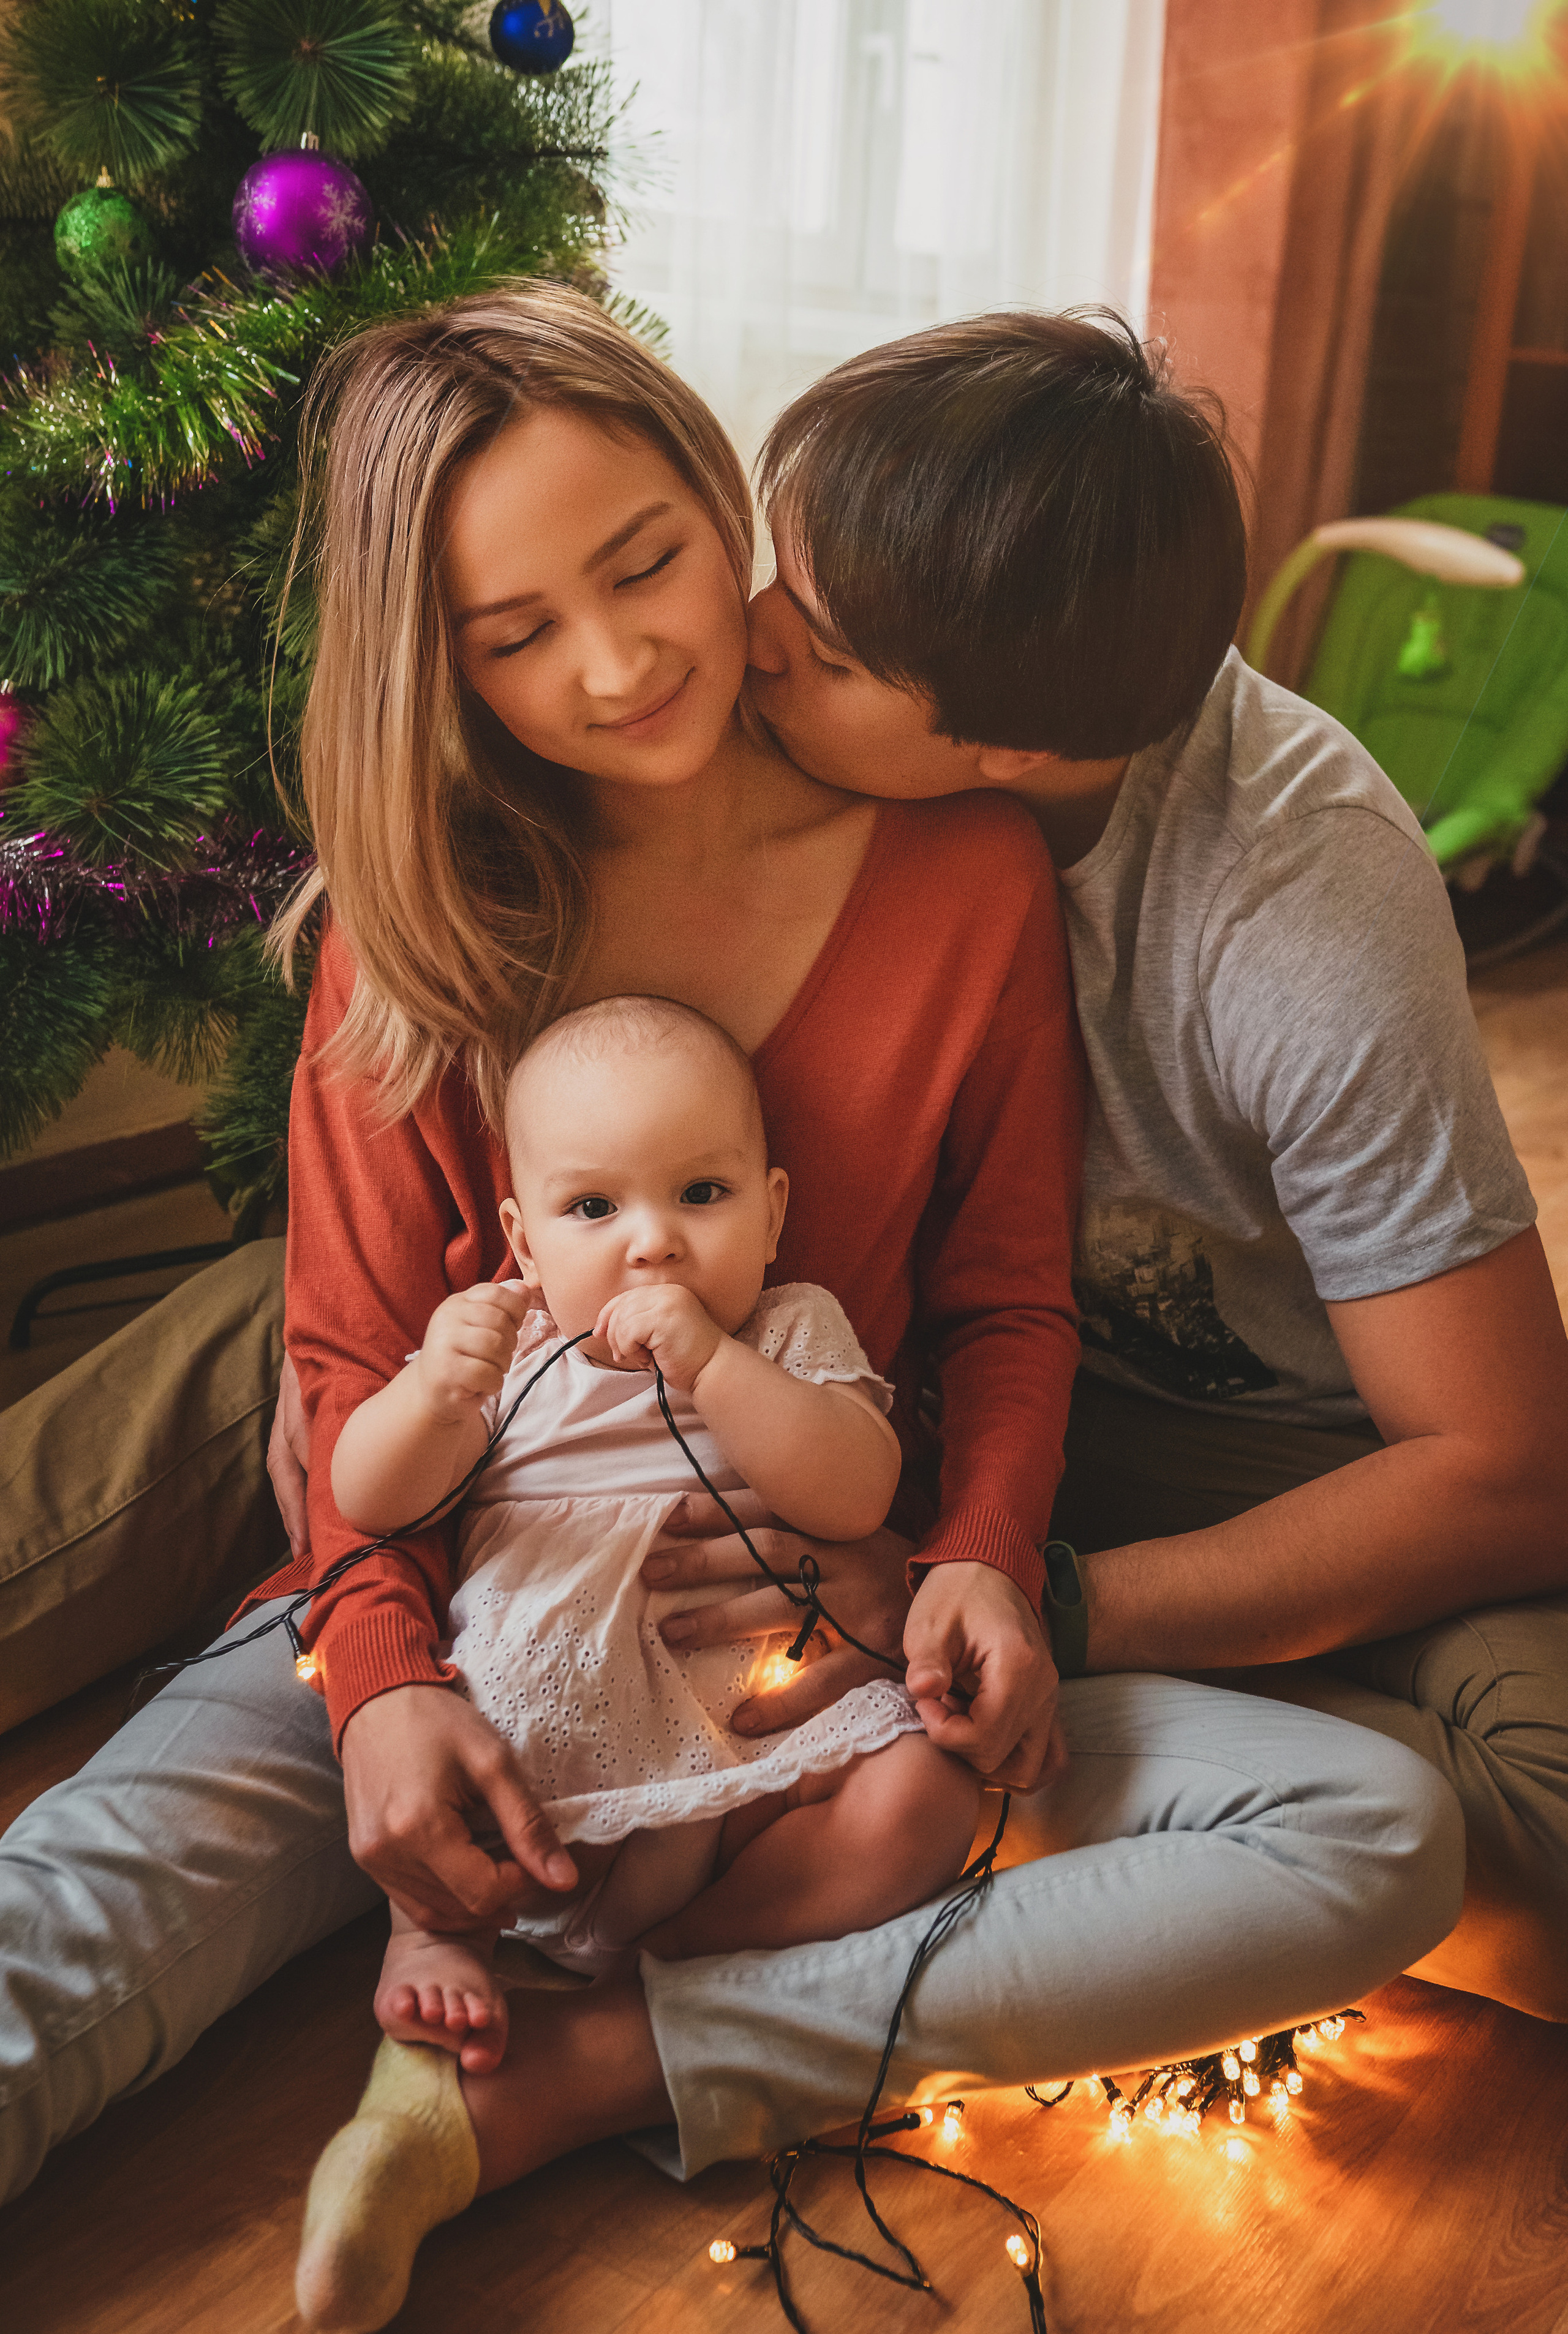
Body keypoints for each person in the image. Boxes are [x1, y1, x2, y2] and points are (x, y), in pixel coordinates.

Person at [0, 289, 1462, 2219]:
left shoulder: (961, 875)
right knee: (62, 1936)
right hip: (455, 1632)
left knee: (1373, 1833)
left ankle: (585, 2067)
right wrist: (379, 1692)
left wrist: (984, 1567)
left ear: (727, 501)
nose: (615, 666)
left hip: (806, 1679)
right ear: (435, 665)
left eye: (648, 564)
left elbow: (1008, 1297)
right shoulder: (430, 908)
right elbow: (350, 1364)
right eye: (514, 636)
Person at [717, 307, 1568, 2022]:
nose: (748, 642)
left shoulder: (1295, 897)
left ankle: (1003, 1742)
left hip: (1243, 1449)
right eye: (773, 573)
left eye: (819, 637)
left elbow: (1506, 1466)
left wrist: (1055, 1602)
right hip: (907, 1386)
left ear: (1010, 747)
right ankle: (1113, 1810)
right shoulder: (765, 742)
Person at [296, 995, 978, 2330]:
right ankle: (435, 1933)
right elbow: (368, 1497)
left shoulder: (786, 1329)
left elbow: (855, 1489)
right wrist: (431, 1394)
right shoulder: (504, 1342)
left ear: (773, 1214)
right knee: (451, 1791)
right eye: (592, 1210)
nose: (653, 1240)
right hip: (547, 1715)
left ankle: (686, 1954)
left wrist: (717, 1366)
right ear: (520, 1239)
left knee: (924, 1800)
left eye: (702, 1193)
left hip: (750, 1724)